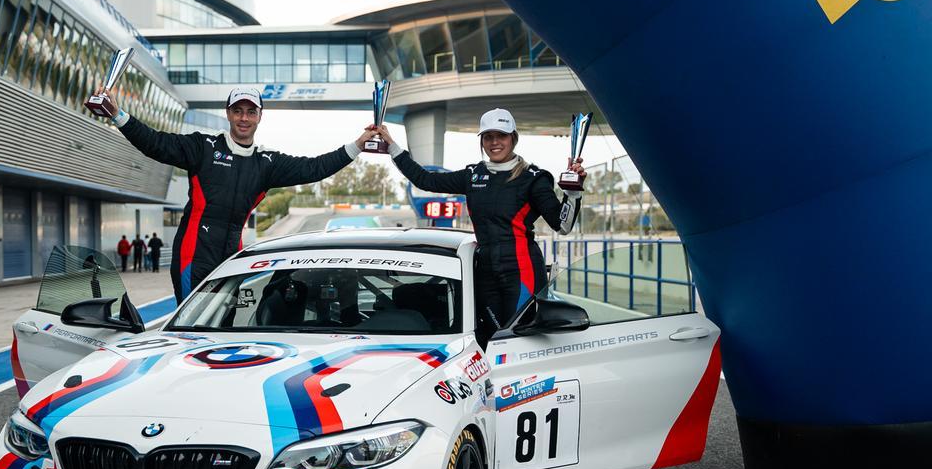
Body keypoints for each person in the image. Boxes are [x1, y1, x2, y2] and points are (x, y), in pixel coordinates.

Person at [94, 85, 374, 302]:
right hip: (194, 256)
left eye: (251, 112)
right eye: (238, 110)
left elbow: (315, 168)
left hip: (232, 259)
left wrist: (358, 145)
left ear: (260, 117)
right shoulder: (202, 146)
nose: (244, 118)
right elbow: (155, 143)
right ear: (227, 113)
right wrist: (118, 115)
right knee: (191, 333)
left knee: (225, 329)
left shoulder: (268, 163)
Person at [372, 108, 584, 342]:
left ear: (513, 138)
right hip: (484, 271)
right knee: (490, 337)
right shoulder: (473, 174)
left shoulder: (534, 177)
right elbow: (425, 179)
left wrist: (572, 194)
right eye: (488, 136)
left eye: (501, 136)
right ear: (482, 140)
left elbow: (562, 226)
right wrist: (392, 146)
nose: (494, 142)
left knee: (519, 339)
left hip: (521, 270)